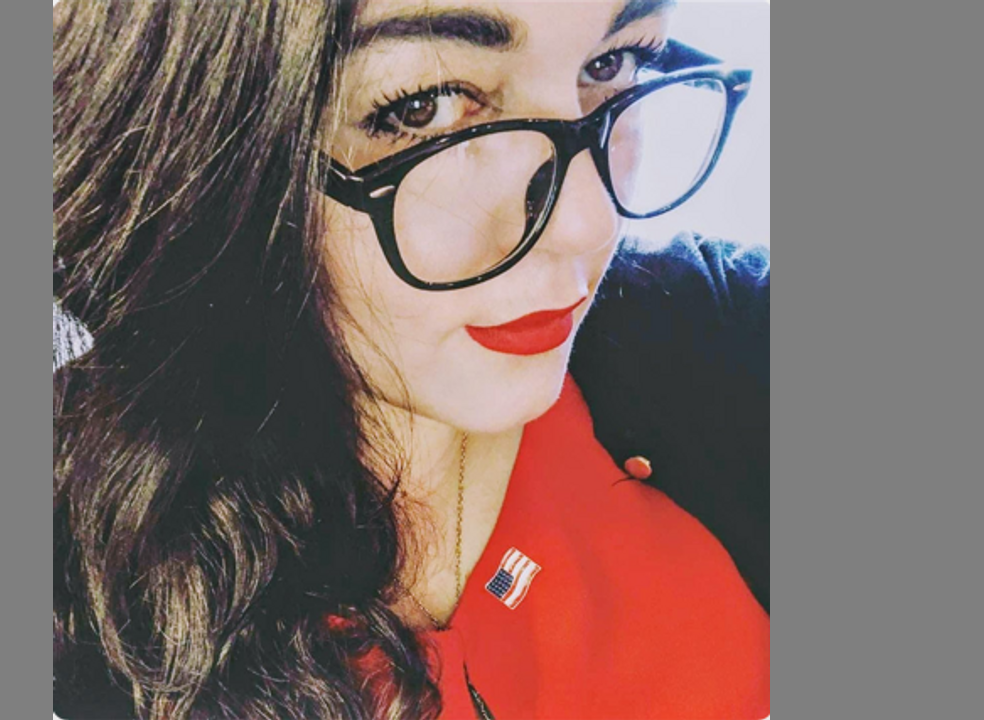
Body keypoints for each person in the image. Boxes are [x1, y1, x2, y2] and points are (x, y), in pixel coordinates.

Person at [53, 1, 769, 718]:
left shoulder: (727, 342)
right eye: (422, 107)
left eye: (611, 64)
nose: (586, 223)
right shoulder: (82, 584)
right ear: (198, 140)